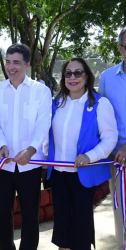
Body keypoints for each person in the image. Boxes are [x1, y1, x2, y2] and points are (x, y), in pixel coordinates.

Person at [45, 58, 118, 250]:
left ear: (87, 77)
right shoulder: (56, 102)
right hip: (59, 175)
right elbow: (47, 136)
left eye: (78, 73)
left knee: (80, 225)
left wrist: (89, 156)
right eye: (68, 73)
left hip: (83, 176)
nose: (72, 77)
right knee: (61, 224)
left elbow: (110, 139)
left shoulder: (100, 104)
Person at [0, 43, 52, 250]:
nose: (11, 67)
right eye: (7, 62)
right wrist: (2, 144)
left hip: (30, 165)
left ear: (28, 64)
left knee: (30, 216)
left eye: (16, 62)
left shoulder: (41, 91)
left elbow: (44, 123)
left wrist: (31, 150)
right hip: (2, 164)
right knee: (3, 215)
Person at [99, 26, 126, 250]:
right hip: (116, 158)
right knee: (120, 209)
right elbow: (102, 116)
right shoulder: (107, 77)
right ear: (120, 49)